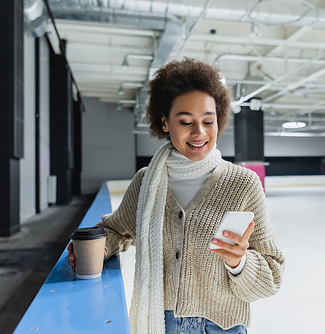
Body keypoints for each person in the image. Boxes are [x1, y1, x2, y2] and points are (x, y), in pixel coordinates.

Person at [68, 58, 285, 334]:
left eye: (209, 121)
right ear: (165, 123)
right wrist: (101, 247)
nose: (199, 133)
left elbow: (272, 276)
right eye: (186, 121)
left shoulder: (243, 184)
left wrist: (239, 261)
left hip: (222, 328)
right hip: (161, 324)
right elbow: (116, 229)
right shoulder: (147, 182)